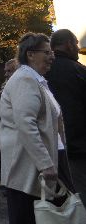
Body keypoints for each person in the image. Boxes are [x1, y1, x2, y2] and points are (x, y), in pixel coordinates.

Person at [0, 32, 66, 224]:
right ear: (30, 54)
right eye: (47, 52)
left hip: (36, 166)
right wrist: (45, 163)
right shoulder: (25, 80)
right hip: (28, 168)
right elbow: (26, 124)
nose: (52, 56)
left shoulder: (35, 80)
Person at [46, 29, 86, 200]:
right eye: (76, 44)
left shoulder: (41, 74)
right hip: (79, 147)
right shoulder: (79, 71)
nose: (78, 48)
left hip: (50, 148)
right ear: (69, 44)